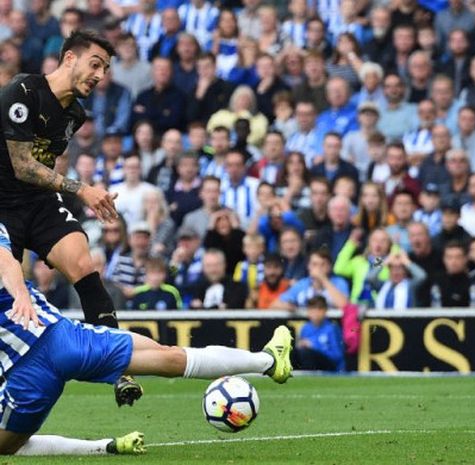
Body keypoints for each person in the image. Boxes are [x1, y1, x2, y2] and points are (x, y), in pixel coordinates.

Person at [0, 222, 292, 456]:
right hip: (57, 344)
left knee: (9, 446)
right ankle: (267, 361)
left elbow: (8, 264)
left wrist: (21, 297)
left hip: (43, 352)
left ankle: (268, 360)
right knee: (169, 357)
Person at [0, 30, 141, 406]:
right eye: (95, 64)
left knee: (83, 262)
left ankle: (118, 371)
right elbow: (22, 165)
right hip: (2, 205)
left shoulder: (75, 114)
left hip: (39, 203)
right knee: (11, 289)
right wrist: (82, 189)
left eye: (106, 69)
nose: (100, 75)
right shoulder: (23, 92)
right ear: (68, 59)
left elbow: (43, 168)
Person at [294, 296, 345, 372]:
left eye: (320, 308)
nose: (316, 312)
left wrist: (314, 346)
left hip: (330, 367)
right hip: (310, 362)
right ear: (308, 311)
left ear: (325, 311)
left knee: (307, 354)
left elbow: (338, 356)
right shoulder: (305, 328)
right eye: (313, 308)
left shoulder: (331, 328)